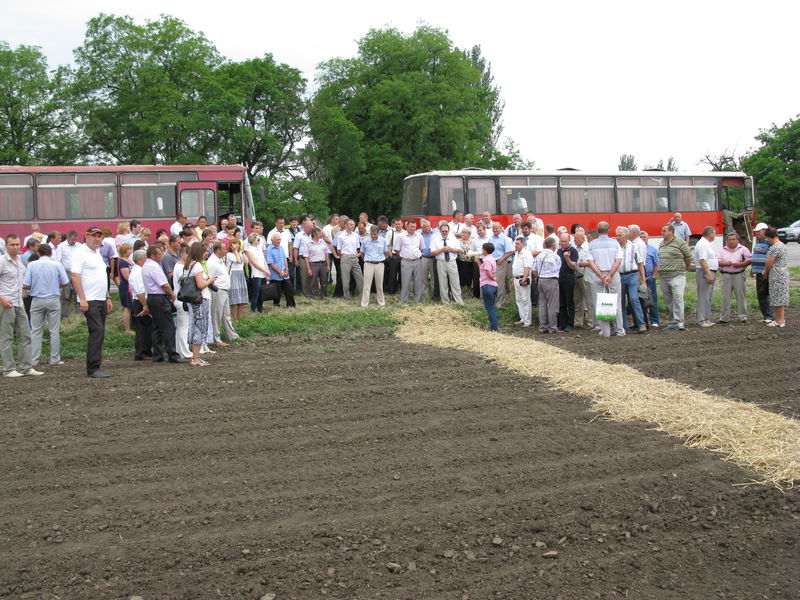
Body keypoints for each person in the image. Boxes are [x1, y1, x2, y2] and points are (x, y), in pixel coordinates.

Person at [71, 227, 114, 377]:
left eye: (99, 236)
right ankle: (93, 368)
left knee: (99, 331)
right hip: (90, 299)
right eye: (94, 236)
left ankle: (96, 365)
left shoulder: (97, 253)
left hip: (100, 298)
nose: (97, 239)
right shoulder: (80, 253)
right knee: (97, 331)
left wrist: (108, 297)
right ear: (86, 236)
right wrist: (82, 298)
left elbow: (102, 277)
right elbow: (75, 276)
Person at [0, 235, 42, 377]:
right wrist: (2, 299)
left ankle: (26, 366)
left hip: (19, 302)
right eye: (12, 245)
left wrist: (23, 292)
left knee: (25, 335)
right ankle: (9, 368)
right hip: (6, 303)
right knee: (7, 337)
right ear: (6, 245)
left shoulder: (19, 261)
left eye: (17, 244)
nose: (16, 247)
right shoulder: (2, 261)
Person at [24, 243, 69, 367]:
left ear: (38, 253)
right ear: (51, 253)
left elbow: (26, 284)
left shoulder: (32, 265)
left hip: (37, 299)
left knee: (36, 330)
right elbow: (65, 282)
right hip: (53, 299)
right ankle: (54, 358)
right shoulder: (57, 265)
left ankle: (34, 359)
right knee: (54, 330)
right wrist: (55, 286)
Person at [142, 245, 186, 363]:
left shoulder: (146, 265)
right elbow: (164, 284)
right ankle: (173, 354)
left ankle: (158, 354)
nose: (162, 255)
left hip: (151, 297)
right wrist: (171, 294)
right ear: (153, 255)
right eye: (160, 253)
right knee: (168, 327)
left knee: (156, 327)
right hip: (159, 297)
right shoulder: (154, 267)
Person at [586, 222, 625, 338]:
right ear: (608, 230)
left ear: (597, 230)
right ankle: (619, 330)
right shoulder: (615, 243)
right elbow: (618, 261)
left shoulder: (591, 244)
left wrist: (601, 275)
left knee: (600, 303)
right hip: (613, 275)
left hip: (598, 275)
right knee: (616, 303)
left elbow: (590, 262)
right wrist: (609, 275)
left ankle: (606, 332)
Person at [184, 243, 216, 366]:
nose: (206, 253)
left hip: (193, 301)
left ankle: (195, 356)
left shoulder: (188, 265)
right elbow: (201, 285)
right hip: (201, 299)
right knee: (199, 327)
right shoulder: (197, 266)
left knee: (194, 326)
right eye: (205, 251)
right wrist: (210, 280)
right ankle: (196, 358)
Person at [657, 223, 693, 331]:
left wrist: (685, 269)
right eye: (662, 231)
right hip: (664, 276)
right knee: (669, 300)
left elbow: (689, 257)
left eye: (664, 231)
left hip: (677, 275)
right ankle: (672, 322)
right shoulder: (662, 244)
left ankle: (679, 322)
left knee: (678, 298)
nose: (662, 233)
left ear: (671, 232)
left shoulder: (680, 242)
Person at [207, 241, 239, 346]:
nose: (226, 251)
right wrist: (215, 289)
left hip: (224, 290)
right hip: (218, 290)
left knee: (226, 314)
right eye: (224, 249)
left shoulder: (220, 260)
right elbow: (210, 278)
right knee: (216, 315)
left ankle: (232, 336)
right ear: (218, 250)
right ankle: (216, 339)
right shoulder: (212, 262)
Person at [617, 226, 647, 333]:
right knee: (620, 301)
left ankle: (641, 324)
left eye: (620, 235)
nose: (618, 237)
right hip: (619, 276)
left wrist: (643, 278)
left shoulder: (633, 247)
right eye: (617, 235)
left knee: (634, 299)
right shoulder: (616, 247)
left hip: (632, 275)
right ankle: (624, 326)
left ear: (625, 236)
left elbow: (640, 263)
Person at [717, 232, 751, 323]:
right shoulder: (722, 250)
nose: (731, 241)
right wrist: (725, 263)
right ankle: (724, 318)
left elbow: (749, 260)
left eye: (733, 239)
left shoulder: (743, 249)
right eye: (729, 239)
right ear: (726, 240)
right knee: (725, 297)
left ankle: (743, 317)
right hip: (725, 275)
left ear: (737, 240)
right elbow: (717, 261)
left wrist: (740, 264)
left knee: (741, 296)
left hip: (738, 274)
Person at [533, 236, 562, 334]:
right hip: (551, 280)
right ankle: (552, 327)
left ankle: (543, 326)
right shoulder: (555, 257)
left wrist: (538, 276)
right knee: (552, 305)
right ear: (554, 246)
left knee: (542, 304)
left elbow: (534, 269)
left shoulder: (539, 256)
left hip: (541, 279)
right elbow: (558, 269)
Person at [430, 222, 463, 305]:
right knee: (442, 282)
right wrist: (441, 250)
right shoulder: (435, 239)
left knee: (455, 281)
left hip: (452, 262)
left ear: (448, 230)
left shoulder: (453, 239)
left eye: (446, 231)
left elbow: (459, 250)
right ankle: (445, 301)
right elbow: (432, 253)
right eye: (443, 231)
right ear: (440, 231)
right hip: (440, 262)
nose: (444, 233)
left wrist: (451, 249)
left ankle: (458, 301)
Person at [128, 249, 152, 361]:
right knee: (142, 328)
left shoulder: (138, 270)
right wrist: (145, 305)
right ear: (141, 259)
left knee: (146, 327)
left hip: (141, 300)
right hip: (140, 301)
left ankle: (146, 350)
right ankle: (141, 352)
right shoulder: (137, 272)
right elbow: (139, 291)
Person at [763, 227, 789, 328]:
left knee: (777, 298)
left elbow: (769, 263)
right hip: (783, 273)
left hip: (776, 274)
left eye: (767, 238)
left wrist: (765, 272)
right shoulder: (782, 245)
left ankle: (779, 320)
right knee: (780, 298)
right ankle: (780, 319)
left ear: (770, 237)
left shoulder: (774, 247)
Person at [171, 245, 193, 360]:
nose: (189, 256)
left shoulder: (179, 266)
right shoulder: (180, 267)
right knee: (184, 326)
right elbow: (184, 282)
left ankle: (180, 349)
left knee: (181, 326)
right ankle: (185, 351)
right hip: (182, 299)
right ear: (182, 254)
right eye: (187, 254)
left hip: (179, 298)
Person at [750, 223, 775, 323]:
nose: (757, 233)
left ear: (764, 230)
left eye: (758, 231)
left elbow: (771, 256)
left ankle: (770, 316)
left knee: (766, 293)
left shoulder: (770, 242)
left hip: (765, 272)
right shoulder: (758, 241)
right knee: (760, 294)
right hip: (758, 272)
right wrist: (752, 269)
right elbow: (755, 255)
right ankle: (765, 315)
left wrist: (767, 270)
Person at [693, 226, 718, 327]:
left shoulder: (706, 244)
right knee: (704, 296)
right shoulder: (702, 244)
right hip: (704, 272)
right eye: (714, 233)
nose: (715, 235)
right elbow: (702, 260)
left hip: (709, 271)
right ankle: (701, 319)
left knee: (708, 296)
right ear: (710, 234)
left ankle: (706, 318)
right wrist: (708, 273)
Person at [396, 219, 425, 304]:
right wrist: (405, 256)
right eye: (411, 226)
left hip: (417, 261)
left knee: (418, 281)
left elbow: (421, 248)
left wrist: (415, 255)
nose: (413, 228)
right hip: (406, 262)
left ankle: (418, 301)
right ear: (406, 226)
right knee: (405, 282)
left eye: (414, 227)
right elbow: (397, 250)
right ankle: (404, 301)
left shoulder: (419, 236)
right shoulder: (401, 236)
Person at [334, 219, 363, 301]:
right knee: (345, 279)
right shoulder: (341, 236)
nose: (353, 226)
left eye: (353, 224)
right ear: (346, 225)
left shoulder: (356, 236)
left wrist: (356, 256)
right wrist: (344, 256)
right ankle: (347, 297)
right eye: (350, 224)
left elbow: (357, 248)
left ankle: (363, 296)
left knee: (360, 278)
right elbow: (339, 250)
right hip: (345, 257)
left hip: (354, 258)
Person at [359, 225, 389, 307]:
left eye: (375, 234)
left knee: (379, 285)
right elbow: (362, 253)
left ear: (378, 233)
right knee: (366, 285)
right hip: (368, 263)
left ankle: (381, 303)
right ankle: (364, 303)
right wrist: (368, 259)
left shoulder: (383, 241)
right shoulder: (365, 241)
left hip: (379, 264)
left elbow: (386, 252)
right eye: (371, 234)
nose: (373, 236)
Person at [488, 222, 514, 307]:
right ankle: (496, 298)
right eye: (493, 228)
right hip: (492, 262)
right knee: (493, 281)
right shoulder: (491, 238)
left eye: (497, 228)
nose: (495, 230)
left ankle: (500, 302)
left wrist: (501, 260)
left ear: (500, 228)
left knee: (499, 282)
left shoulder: (505, 238)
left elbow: (510, 251)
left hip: (501, 262)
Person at [556, 233, 579, 332]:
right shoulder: (558, 251)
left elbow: (573, 266)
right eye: (561, 241)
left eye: (565, 241)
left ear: (569, 241)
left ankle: (570, 324)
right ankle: (562, 323)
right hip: (559, 279)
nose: (563, 243)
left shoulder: (573, 251)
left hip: (568, 278)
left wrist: (567, 258)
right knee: (561, 302)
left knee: (569, 301)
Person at [267, 232, 296, 308]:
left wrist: (286, 269)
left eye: (279, 240)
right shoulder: (269, 250)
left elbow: (284, 260)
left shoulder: (281, 248)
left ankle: (291, 305)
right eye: (277, 240)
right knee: (277, 291)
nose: (279, 241)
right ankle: (276, 304)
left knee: (289, 289)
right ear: (272, 240)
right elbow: (270, 263)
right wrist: (279, 272)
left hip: (284, 273)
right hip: (276, 274)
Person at [56, 230, 82, 314]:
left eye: (75, 240)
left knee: (78, 292)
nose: (74, 242)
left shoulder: (79, 246)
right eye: (72, 240)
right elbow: (58, 260)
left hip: (77, 271)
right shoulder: (61, 246)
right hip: (66, 272)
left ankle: (80, 313)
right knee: (65, 294)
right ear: (67, 238)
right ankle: (65, 314)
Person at [639, 231, 660, 328]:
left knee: (652, 299)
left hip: (649, 277)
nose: (643, 238)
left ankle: (654, 320)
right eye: (641, 237)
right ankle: (642, 320)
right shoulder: (637, 249)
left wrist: (654, 275)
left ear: (648, 238)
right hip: (640, 279)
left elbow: (656, 263)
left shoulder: (652, 250)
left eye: (644, 237)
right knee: (641, 299)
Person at [511, 236, 533, 327]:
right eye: (515, 243)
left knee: (525, 299)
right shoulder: (516, 254)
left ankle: (528, 320)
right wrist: (513, 281)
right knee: (519, 299)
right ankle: (522, 318)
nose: (516, 245)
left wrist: (524, 279)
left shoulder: (526, 254)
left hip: (522, 278)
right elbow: (514, 268)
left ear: (522, 244)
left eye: (518, 243)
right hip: (516, 278)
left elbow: (527, 267)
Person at [245, 230, 269, 313]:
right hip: (256, 274)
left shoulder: (259, 249)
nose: (259, 241)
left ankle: (260, 309)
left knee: (262, 293)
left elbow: (264, 260)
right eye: (258, 240)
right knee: (256, 293)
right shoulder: (249, 250)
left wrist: (266, 270)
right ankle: (253, 310)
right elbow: (254, 264)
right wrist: (265, 270)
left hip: (263, 273)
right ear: (253, 240)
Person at [226, 238, 248, 321]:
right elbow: (238, 261)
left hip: (240, 274)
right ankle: (235, 319)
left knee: (242, 299)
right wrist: (235, 251)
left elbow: (246, 262)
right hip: (233, 275)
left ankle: (240, 318)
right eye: (234, 244)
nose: (237, 245)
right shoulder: (229, 254)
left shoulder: (240, 253)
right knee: (235, 300)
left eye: (238, 244)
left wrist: (241, 252)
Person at [306, 227, 331, 300]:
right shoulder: (308, 244)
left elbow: (326, 254)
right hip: (313, 264)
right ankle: (311, 296)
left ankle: (324, 296)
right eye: (320, 233)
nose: (321, 234)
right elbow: (306, 257)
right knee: (313, 281)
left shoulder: (323, 242)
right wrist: (308, 269)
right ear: (315, 234)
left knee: (324, 281)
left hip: (323, 263)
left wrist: (328, 265)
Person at [479, 243, 499, 332]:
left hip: (487, 285)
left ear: (485, 250)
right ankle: (494, 326)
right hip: (493, 286)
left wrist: (493, 278)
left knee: (489, 307)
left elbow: (488, 272)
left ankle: (494, 328)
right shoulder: (492, 258)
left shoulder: (486, 259)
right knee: (491, 306)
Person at [419, 219, 441, 301]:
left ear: (430, 225)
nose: (427, 228)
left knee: (434, 277)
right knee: (423, 277)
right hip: (423, 258)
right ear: (422, 228)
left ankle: (434, 294)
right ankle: (425, 294)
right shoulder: (419, 234)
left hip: (433, 258)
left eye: (428, 226)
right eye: (424, 227)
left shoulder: (435, 233)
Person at [572, 230, 590, 328]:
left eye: (576, 239)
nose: (574, 240)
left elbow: (593, 262)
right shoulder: (576, 248)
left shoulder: (588, 248)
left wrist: (584, 264)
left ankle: (590, 321)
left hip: (585, 276)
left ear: (582, 239)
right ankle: (578, 322)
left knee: (588, 299)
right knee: (577, 300)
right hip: (576, 276)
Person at [115, 243, 134, 334]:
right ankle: (127, 329)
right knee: (127, 308)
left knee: (131, 307)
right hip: (126, 287)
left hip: (132, 287)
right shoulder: (122, 262)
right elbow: (127, 276)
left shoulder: (129, 260)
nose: (131, 251)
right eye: (129, 249)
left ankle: (132, 326)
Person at [456, 228, 474, 294]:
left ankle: (470, 289)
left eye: (465, 232)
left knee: (469, 276)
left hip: (470, 262)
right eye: (462, 232)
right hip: (460, 261)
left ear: (469, 234)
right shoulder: (457, 241)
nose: (463, 234)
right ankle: (461, 289)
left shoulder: (473, 241)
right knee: (460, 275)